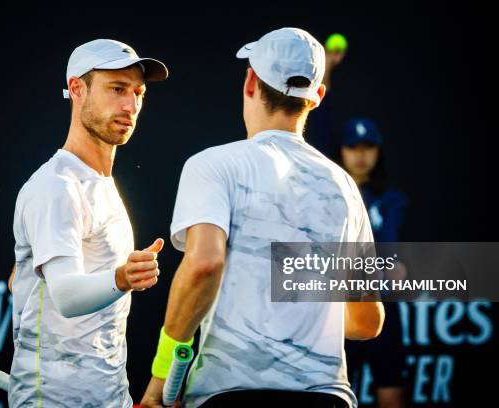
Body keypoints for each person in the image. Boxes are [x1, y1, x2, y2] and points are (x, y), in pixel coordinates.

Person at [140, 28, 384, 408]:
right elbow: (368, 321)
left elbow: (205, 263)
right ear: (316, 97)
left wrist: (160, 375)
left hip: (232, 397)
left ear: (250, 81)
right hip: (327, 400)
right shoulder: (345, 187)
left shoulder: (213, 165)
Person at [9, 39, 168, 407]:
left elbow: (23, 279)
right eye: (116, 89)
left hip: (110, 397)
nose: (130, 105)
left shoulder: (98, 184)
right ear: (77, 89)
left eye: (138, 92)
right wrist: (121, 278)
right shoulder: (56, 186)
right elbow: (66, 296)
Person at [337, 118, 408, 407]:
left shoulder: (392, 200)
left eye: (368, 147)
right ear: (341, 151)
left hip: (384, 307)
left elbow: (396, 262)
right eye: (353, 147)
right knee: (338, 393)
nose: (361, 155)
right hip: (341, 311)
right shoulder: (330, 195)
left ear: (378, 151)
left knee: (392, 392)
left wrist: (397, 266)